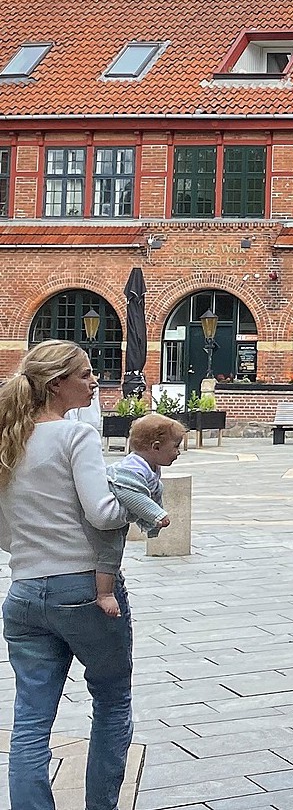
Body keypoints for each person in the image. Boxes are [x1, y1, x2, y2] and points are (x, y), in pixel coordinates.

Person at [0, 340, 135, 809]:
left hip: (24, 591)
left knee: (30, 722)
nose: (95, 381)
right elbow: (102, 513)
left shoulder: (9, 438)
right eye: (86, 373)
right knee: (112, 701)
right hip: (84, 588)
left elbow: (4, 534)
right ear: (58, 384)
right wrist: (137, 502)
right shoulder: (76, 435)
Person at [96, 414, 180, 618]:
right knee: (109, 552)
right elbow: (132, 494)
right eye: (176, 447)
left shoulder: (151, 466)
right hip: (105, 518)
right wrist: (156, 515)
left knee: (115, 550)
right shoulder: (132, 469)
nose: (178, 453)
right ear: (156, 447)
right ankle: (105, 594)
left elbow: (152, 491)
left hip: (119, 518)